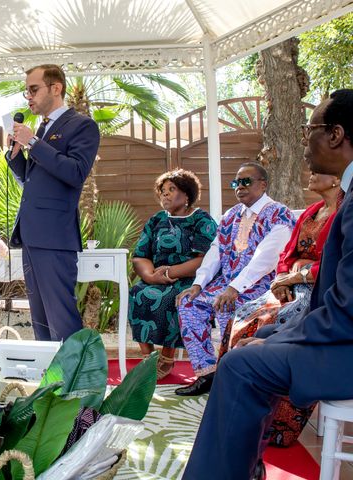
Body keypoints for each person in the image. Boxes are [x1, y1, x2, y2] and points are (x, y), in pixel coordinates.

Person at [183, 89, 353, 480]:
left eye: (309, 130)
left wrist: (276, 341)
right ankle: (244, 467)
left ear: (336, 135)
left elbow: (345, 309)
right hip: (333, 323)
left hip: (346, 344)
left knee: (241, 365)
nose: (303, 144)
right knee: (262, 334)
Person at [217, 172, 342, 447]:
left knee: (271, 326)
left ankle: (279, 423)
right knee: (244, 316)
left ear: (335, 178)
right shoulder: (313, 210)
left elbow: (338, 266)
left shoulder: (346, 212)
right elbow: (287, 253)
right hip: (289, 286)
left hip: (320, 290)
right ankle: (243, 411)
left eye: (317, 171)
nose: (309, 174)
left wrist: (298, 276)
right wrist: (280, 280)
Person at [174, 162, 294, 396]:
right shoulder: (230, 216)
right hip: (225, 284)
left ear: (263, 184)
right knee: (189, 303)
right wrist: (198, 284)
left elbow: (266, 258)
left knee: (226, 305)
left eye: (246, 181)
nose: (239, 187)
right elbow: (215, 251)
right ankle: (206, 374)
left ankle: (232, 376)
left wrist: (234, 288)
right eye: (236, 183)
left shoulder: (279, 213)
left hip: (261, 285)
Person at [8, 64, 100, 341]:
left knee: (61, 318)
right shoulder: (43, 129)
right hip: (31, 233)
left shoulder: (82, 125)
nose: (29, 97)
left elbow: (74, 173)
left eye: (34, 89)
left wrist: (34, 143)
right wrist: (15, 154)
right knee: (41, 321)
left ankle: (75, 382)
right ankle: (50, 380)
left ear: (55, 88)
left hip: (55, 235)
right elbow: (33, 180)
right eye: (27, 91)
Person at [128, 169, 216, 379]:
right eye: (163, 190)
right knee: (138, 292)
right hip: (157, 277)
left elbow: (206, 258)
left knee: (171, 299)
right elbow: (140, 255)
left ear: (187, 195)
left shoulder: (200, 220)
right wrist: (150, 277)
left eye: (172, 189)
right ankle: (148, 358)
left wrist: (171, 271)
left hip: (189, 278)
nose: (165, 194)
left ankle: (167, 357)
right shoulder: (156, 220)